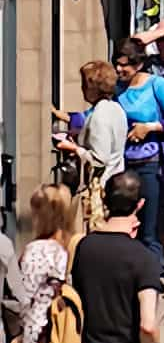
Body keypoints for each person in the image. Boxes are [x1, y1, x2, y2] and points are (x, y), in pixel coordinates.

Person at [73, 173, 163, 343]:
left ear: (105, 199)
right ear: (140, 205)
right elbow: (148, 325)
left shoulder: (84, 248)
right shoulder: (143, 259)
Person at [111, 36, 164, 268]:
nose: (119, 69)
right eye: (117, 63)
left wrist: (150, 127)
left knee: (150, 229)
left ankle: (151, 279)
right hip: (123, 165)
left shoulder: (157, 85)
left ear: (139, 64)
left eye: (125, 64)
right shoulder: (117, 89)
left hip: (150, 164)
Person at [17, 185, 80, 343]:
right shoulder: (72, 247)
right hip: (67, 337)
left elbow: (24, 299)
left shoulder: (34, 251)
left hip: (39, 341)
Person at [61, 58, 127, 227]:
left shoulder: (100, 114)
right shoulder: (116, 109)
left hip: (99, 192)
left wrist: (74, 148)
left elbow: (99, 159)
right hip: (114, 182)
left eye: (84, 84)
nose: (82, 89)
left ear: (92, 86)